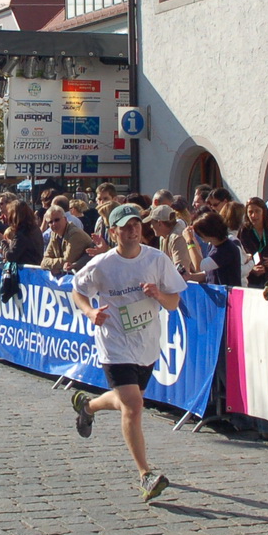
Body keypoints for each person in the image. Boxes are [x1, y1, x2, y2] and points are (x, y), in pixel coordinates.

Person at [66, 204, 187, 503]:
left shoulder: (157, 260)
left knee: (125, 402)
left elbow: (173, 303)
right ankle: (145, 474)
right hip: (114, 343)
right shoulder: (103, 264)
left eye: (137, 224)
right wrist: (90, 311)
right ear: (113, 232)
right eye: (126, 225)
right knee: (134, 406)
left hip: (146, 343)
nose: (133, 230)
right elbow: (77, 289)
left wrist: (157, 294)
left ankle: (89, 406)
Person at [181, 212, 241, 287]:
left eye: (199, 234)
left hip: (228, 296)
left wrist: (189, 241)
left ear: (208, 232)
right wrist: (190, 277)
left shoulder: (227, 249)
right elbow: (208, 273)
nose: (199, 236)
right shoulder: (213, 245)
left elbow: (199, 266)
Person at [40, 206, 94, 275]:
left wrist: (53, 265)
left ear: (65, 219)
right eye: (50, 222)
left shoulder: (74, 234)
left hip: (87, 275)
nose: (54, 224)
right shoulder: (54, 234)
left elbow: (68, 261)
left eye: (57, 220)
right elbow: (44, 261)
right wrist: (56, 266)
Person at [239, 198, 268, 287]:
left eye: (257, 211)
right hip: (250, 279)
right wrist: (251, 268)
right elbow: (238, 256)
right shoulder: (243, 232)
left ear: (264, 212)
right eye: (250, 212)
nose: (254, 215)